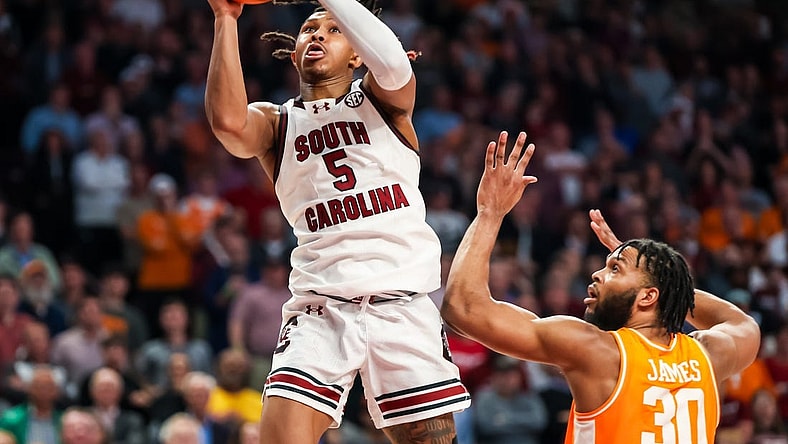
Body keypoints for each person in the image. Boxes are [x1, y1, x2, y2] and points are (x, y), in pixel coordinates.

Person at [205, 0, 469, 442]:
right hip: (320, 308)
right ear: (293, 53)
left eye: (333, 29)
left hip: (400, 303)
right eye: (309, 29)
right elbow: (229, 122)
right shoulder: (278, 122)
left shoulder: (383, 100)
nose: (318, 36)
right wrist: (225, 18)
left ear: (357, 53)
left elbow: (393, 64)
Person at [440, 131, 762, 443]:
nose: (596, 274)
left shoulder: (598, 352)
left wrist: (490, 212)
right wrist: (660, 278)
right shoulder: (708, 355)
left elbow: (464, 309)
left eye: (614, 269)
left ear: (649, 296)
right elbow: (743, 324)